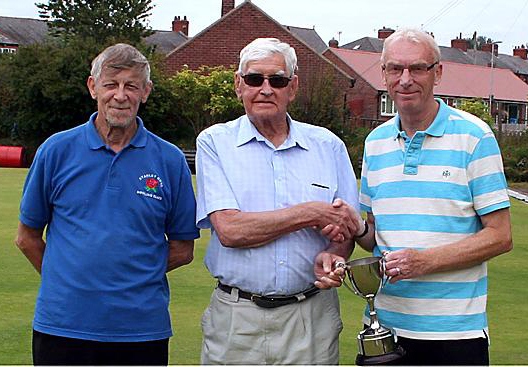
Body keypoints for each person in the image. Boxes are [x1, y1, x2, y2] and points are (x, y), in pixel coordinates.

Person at [16, 43, 200, 365]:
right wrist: (69, 280)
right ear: (92, 87)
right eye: (111, 84)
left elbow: (183, 248)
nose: (120, 95)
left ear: (146, 91)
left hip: (142, 331)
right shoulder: (56, 151)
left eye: (131, 86)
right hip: (62, 327)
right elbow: (27, 237)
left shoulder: (170, 160)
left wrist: (128, 276)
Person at [350, 28, 513, 365]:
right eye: (395, 69)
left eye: (417, 68)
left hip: (454, 336)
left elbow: (500, 236)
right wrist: (352, 226)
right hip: (385, 331)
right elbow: (374, 236)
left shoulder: (474, 137)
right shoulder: (375, 142)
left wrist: (424, 262)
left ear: (438, 72)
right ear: (384, 74)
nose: (405, 79)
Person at [195, 37, 362, 365]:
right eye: (255, 79)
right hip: (237, 318)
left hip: (312, 316)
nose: (266, 89)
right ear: (238, 85)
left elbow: (345, 230)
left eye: (278, 80)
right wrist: (310, 212)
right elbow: (230, 230)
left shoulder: (328, 146)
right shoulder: (215, 142)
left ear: (293, 86)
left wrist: (333, 256)